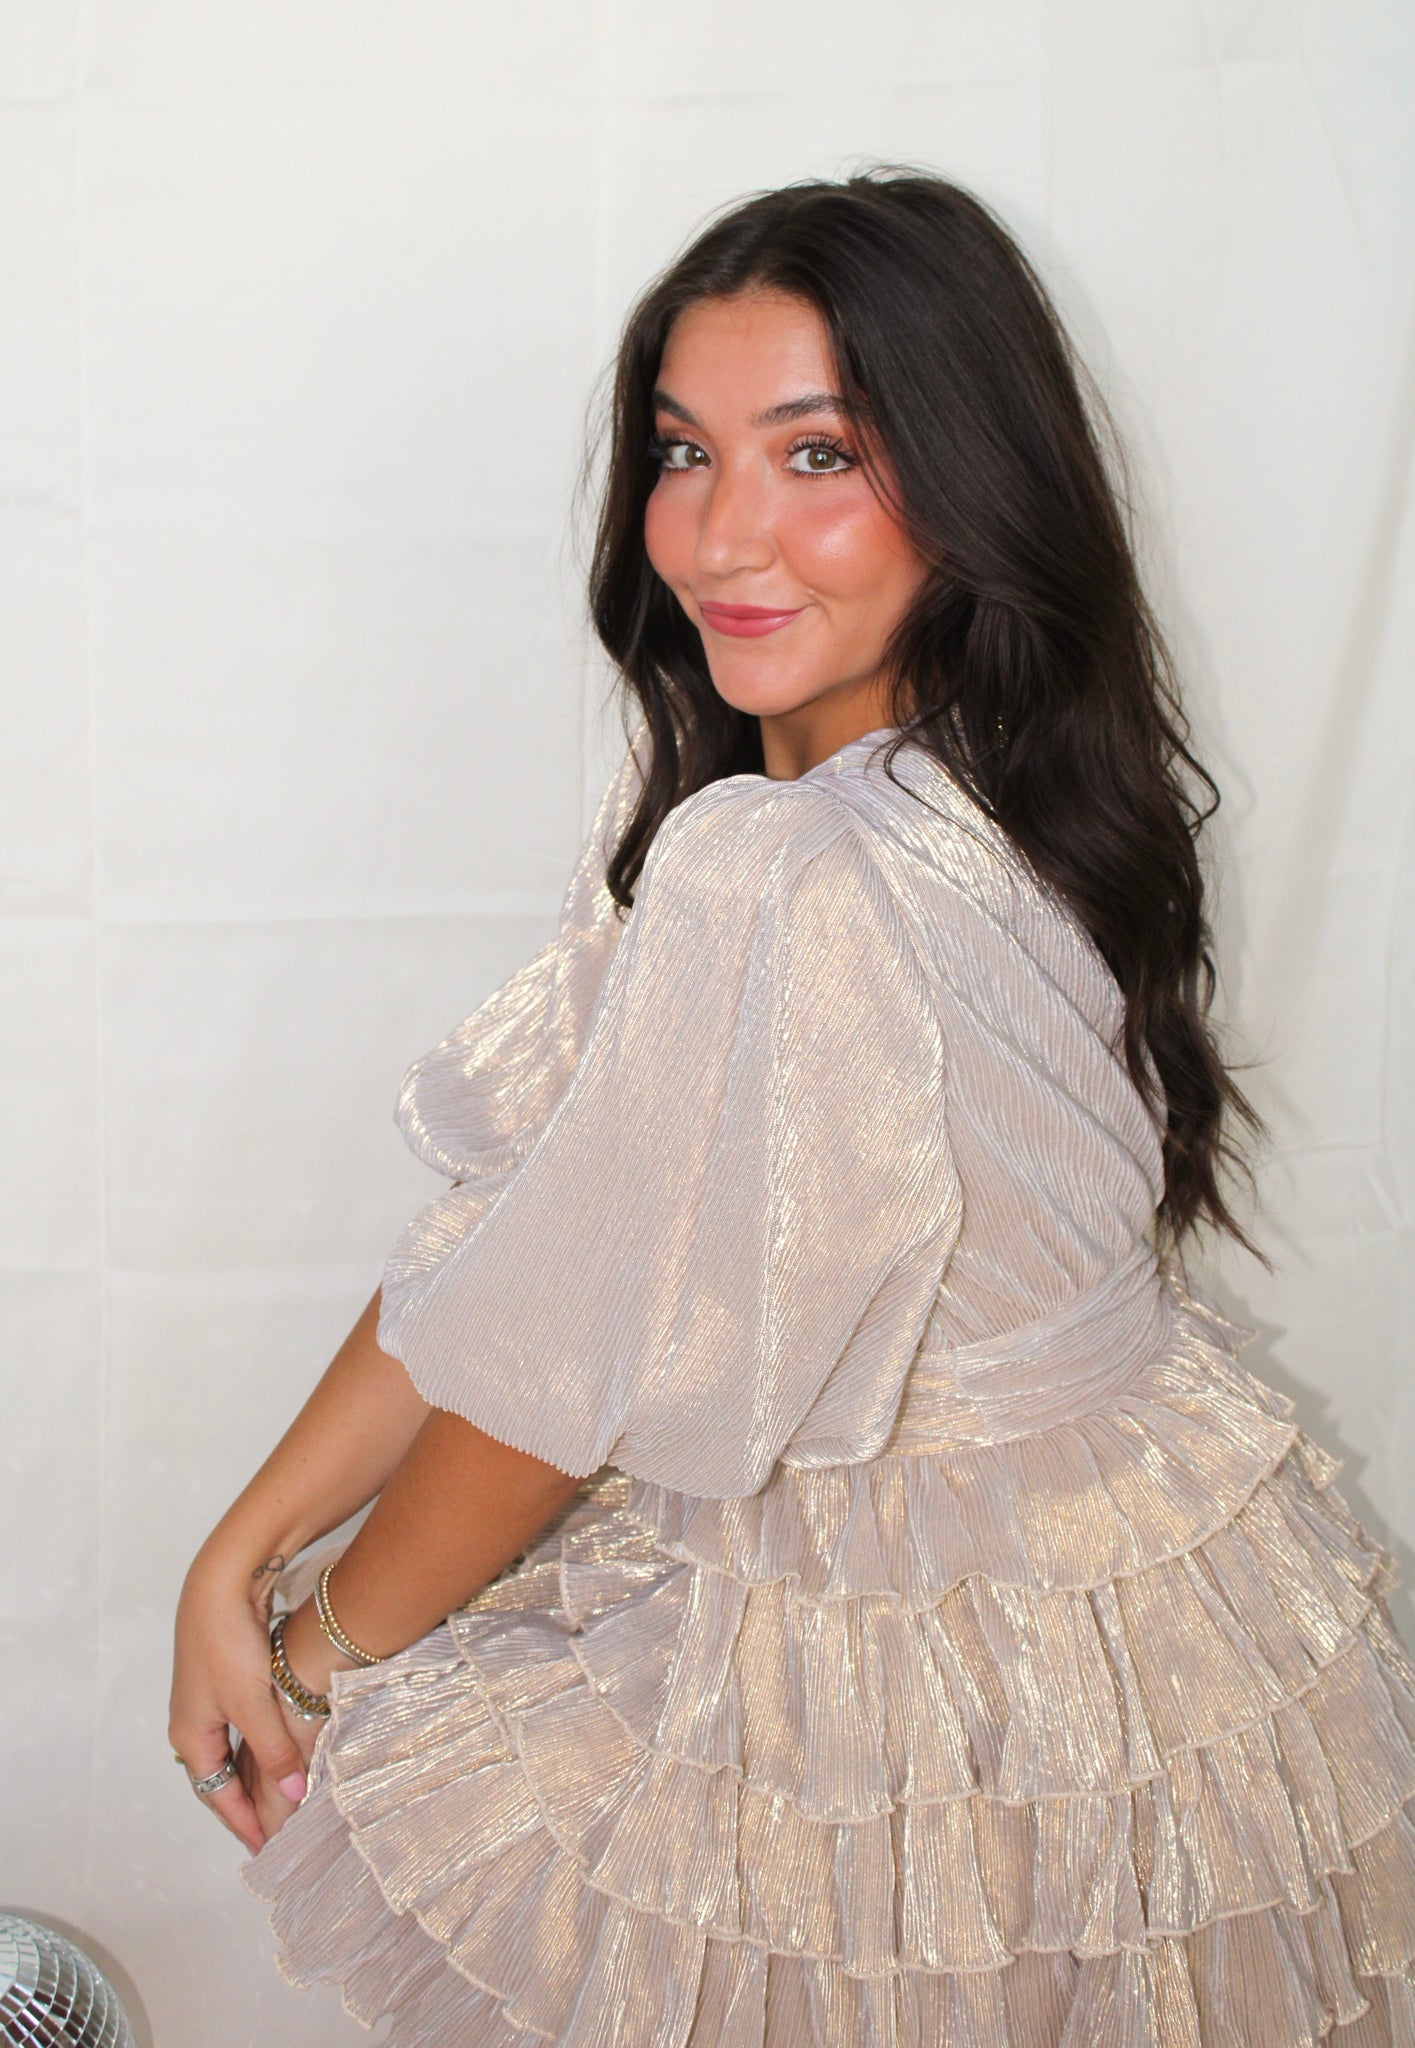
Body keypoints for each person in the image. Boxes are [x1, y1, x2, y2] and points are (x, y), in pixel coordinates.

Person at [170, 169, 1415, 2045]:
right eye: (685, 452)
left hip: (943, 1694)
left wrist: (317, 1646)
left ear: (973, 479)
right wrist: (246, 1539)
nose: (720, 534)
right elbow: (541, 1228)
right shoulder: (990, 772)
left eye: (817, 455)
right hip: (1154, 1624)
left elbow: (557, 1369)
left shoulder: (796, 870)